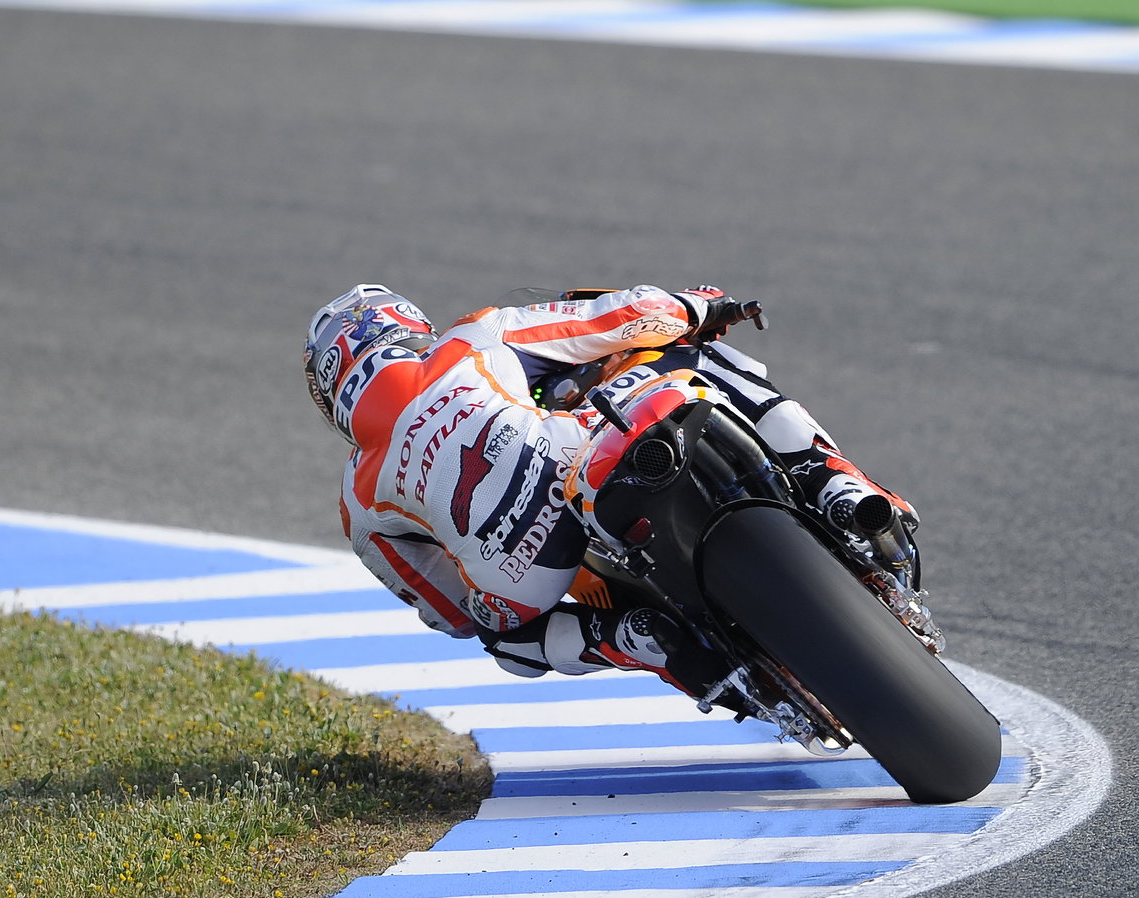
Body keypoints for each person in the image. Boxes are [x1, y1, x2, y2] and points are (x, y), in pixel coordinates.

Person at [302, 282, 917, 696]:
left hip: (520, 576)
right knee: (694, 363)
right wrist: (698, 306)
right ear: (406, 327)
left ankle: (633, 640)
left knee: (507, 643)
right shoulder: (470, 340)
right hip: (575, 462)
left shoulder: (357, 503)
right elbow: (612, 318)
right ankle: (830, 481)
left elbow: (448, 613)